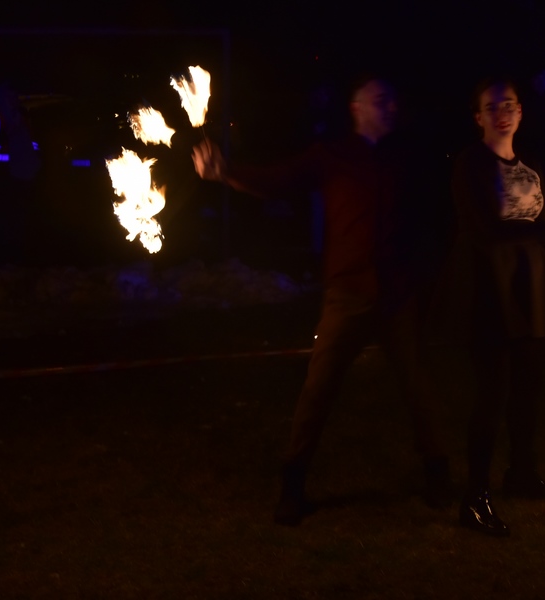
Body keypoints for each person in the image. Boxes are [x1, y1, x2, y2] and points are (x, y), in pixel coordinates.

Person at [192, 77, 453, 525]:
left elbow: (431, 216)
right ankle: (292, 486)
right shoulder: (331, 156)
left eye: (393, 100)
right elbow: (279, 180)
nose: (391, 106)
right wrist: (227, 172)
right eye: (381, 100)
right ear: (357, 108)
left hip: (398, 294)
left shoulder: (408, 157)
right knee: (318, 390)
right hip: (347, 294)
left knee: (419, 388)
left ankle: (438, 475)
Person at [449, 77, 545, 536]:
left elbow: (539, 225)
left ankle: (521, 474)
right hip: (490, 283)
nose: (503, 113)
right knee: (492, 391)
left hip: (530, 282)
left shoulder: (530, 162)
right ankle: (475, 497)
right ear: (478, 117)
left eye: (510, 105)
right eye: (493, 106)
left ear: (521, 112)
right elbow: (486, 231)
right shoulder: (471, 163)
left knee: (529, 384)